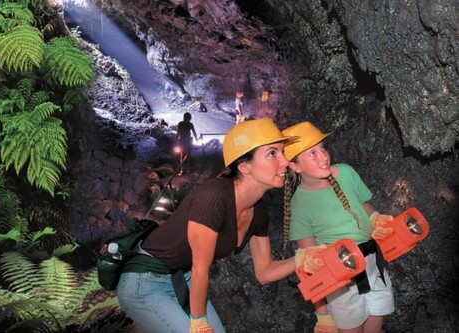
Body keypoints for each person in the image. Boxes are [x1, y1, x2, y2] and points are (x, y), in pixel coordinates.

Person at [116, 118, 325, 333]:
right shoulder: (213, 195)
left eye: (282, 152)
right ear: (244, 166)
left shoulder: (258, 210)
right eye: (273, 153)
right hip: (144, 281)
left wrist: (300, 258)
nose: (284, 161)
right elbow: (200, 268)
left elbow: (264, 272)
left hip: (182, 278)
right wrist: (198, 322)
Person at [281, 121, 395, 333]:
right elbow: (310, 260)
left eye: (322, 147)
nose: (323, 156)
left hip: (373, 264)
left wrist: (376, 218)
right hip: (342, 279)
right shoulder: (299, 203)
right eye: (312, 153)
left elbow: (363, 205)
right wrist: (322, 314)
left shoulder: (346, 173)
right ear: (295, 166)